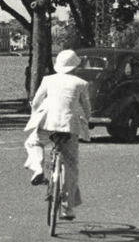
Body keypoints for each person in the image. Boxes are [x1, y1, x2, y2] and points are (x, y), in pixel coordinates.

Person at [23, 49, 92, 220]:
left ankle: (38, 167)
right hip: (70, 126)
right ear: (75, 66)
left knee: (33, 143)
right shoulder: (81, 83)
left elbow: (36, 101)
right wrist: (86, 121)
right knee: (70, 165)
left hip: (48, 123)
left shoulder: (48, 80)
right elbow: (87, 108)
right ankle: (67, 209)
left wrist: (34, 116)